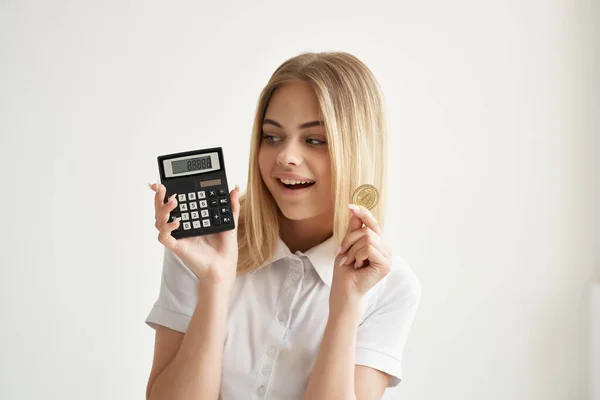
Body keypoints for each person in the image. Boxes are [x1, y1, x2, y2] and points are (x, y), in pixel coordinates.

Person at [145, 51, 421, 400]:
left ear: (357, 150)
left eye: (315, 140)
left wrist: (346, 305)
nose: (286, 156)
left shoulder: (391, 286)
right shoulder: (204, 246)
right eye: (272, 137)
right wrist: (215, 283)